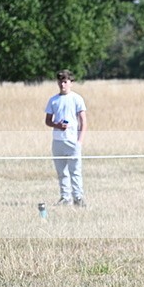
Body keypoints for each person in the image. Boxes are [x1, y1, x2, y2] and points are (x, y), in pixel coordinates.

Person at [44, 69, 87, 207]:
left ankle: (78, 197)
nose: (62, 85)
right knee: (61, 171)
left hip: (72, 141)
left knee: (75, 171)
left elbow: (83, 122)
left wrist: (79, 141)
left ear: (71, 83)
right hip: (58, 141)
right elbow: (48, 121)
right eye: (60, 82)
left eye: (65, 82)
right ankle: (65, 197)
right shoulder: (53, 100)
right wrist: (57, 125)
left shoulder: (77, 99)